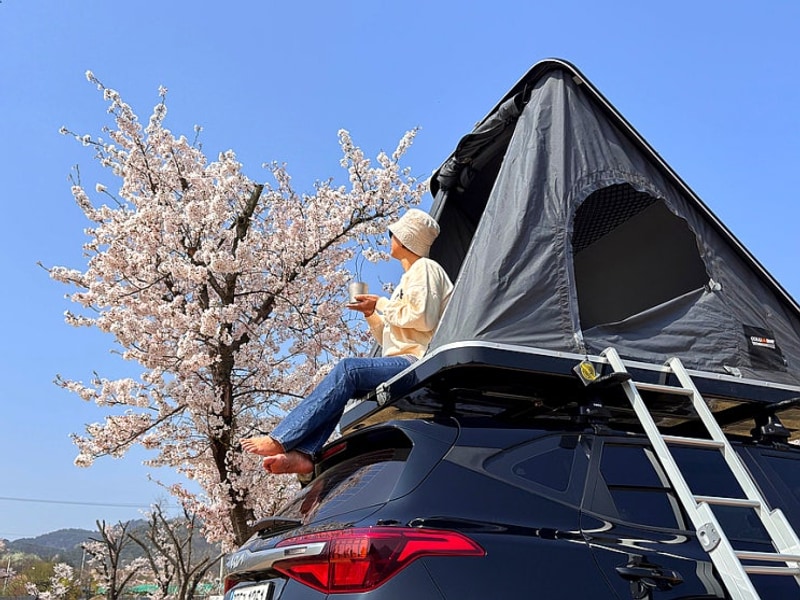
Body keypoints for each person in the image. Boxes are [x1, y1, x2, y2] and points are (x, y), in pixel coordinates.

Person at [241, 209, 454, 475]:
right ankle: (304, 454)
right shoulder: (408, 279)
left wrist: (382, 303)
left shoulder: (425, 268)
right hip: (401, 361)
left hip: (416, 362)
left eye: (394, 234)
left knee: (348, 370)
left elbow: (422, 319)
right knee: (344, 384)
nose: (390, 238)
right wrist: (371, 313)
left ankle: (282, 439)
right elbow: (389, 338)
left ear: (406, 238)